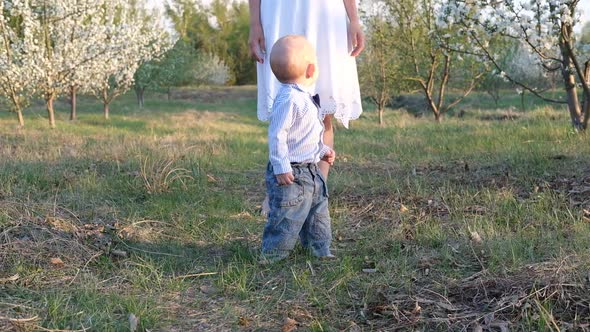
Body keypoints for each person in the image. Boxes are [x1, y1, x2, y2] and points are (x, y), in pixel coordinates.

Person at [249, 0, 365, 216]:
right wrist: (254, 23)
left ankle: (316, 193)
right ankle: (280, 191)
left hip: (324, 13)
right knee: (284, 103)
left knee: (323, 107)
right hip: (281, 10)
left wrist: (355, 19)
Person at [260, 35, 336, 263]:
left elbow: (305, 134)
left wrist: (322, 150)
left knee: (318, 214)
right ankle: (273, 255)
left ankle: (319, 249)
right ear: (311, 69)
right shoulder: (289, 99)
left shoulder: (304, 98)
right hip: (291, 174)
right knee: (286, 216)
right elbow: (277, 134)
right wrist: (280, 167)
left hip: (311, 171)